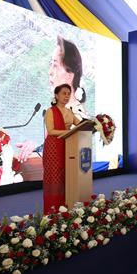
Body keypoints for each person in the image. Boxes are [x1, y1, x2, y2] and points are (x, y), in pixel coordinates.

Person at [43, 84, 82, 214]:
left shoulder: (70, 112)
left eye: (68, 94)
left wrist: (96, 123)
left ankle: (66, 206)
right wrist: (67, 132)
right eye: (64, 93)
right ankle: (53, 208)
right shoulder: (50, 111)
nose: (66, 96)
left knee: (67, 177)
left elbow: (80, 125)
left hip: (68, 146)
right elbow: (51, 131)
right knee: (55, 178)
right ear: (56, 95)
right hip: (54, 148)